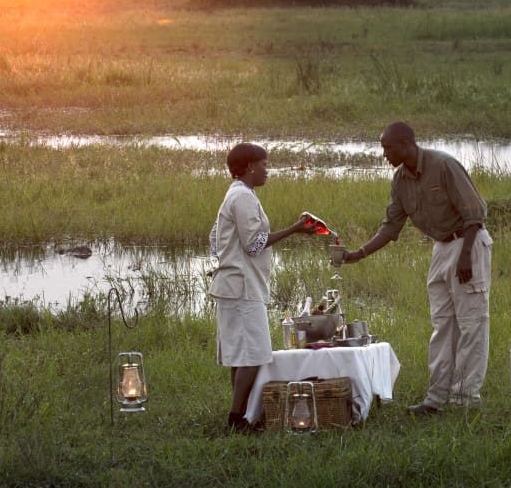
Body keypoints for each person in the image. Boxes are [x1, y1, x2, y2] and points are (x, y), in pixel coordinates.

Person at [330, 122, 491, 415]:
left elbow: (475, 215)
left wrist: (466, 256)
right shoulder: (400, 180)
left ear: (406, 145)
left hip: (468, 242)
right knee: (442, 325)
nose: (384, 155)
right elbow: (391, 227)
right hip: (441, 247)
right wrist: (357, 254)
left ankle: (466, 399)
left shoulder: (443, 165)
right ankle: (437, 399)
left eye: (388, 148)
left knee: (471, 325)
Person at [209, 142, 315, 432]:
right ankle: (237, 418)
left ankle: (241, 415)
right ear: (250, 167)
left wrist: (222, 261)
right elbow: (254, 245)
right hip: (242, 288)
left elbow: (214, 238)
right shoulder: (242, 197)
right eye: (265, 164)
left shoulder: (237, 194)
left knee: (242, 355)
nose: (268, 170)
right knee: (255, 354)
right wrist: (295, 229)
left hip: (234, 284)